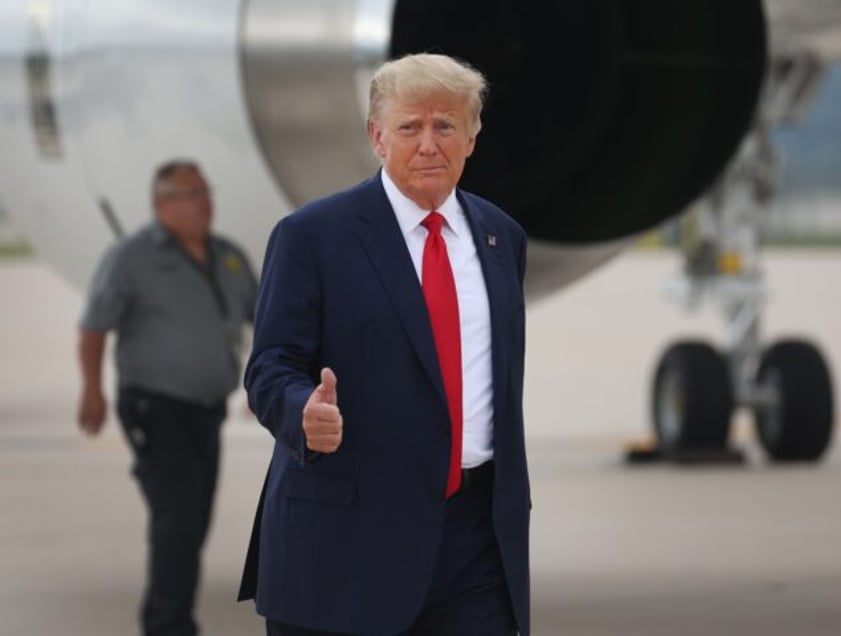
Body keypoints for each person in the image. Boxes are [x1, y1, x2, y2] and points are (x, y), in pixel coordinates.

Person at [239, 53, 531, 635]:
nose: (429, 144)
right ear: (376, 136)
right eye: (409, 127)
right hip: (348, 541)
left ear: (471, 138)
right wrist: (302, 412)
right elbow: (271, 365)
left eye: (445, 126)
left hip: (475, 542)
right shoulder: (312, 237)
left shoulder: (502, 238)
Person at [76, 159, 258, 636]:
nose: (204, 203)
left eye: (205, 191)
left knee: (194, 519)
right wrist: (92, 391)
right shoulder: (132, 258)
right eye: (191, 194)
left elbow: (266, 317)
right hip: (155, 408)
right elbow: (94, 327)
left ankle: (169, 616)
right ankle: (168, 625)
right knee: (176, 520)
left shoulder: (228, 256)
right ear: (162, 205)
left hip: (205, 412)